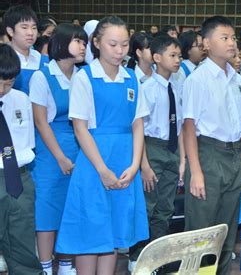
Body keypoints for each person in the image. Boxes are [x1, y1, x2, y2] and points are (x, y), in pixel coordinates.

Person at [55, 16, 149, 275]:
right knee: (91, 233)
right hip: (95, 164)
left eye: (125, 45)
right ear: (96, 43)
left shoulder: (131, 78)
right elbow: (80, 127)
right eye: (112, 44)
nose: (120, 51)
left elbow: (137, 124)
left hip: (124, 162)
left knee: (115, 233)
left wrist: (134, 165)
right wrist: (102, 170)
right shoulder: (85, 77)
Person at [182, 16, 241, 274]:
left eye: (233, 38)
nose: (232, 43)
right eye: (224, 38)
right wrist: (196, 172)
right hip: (208, 155)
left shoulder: (236, 79)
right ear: (206, 44)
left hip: (234, 155)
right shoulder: (198, 80)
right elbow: (189, 127)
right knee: (202, 232)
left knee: (226, 230)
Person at [29, 23, 87, 275]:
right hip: (50, 152)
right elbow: (41, 122)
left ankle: (65, 264)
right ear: (61, 44)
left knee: (70, 209)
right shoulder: (42, 76)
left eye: (84, 42)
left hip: (79, 147)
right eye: (78, 41)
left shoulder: (82, 76)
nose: (83, 46)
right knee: (47, 209)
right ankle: (44, 266)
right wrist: (60, 157)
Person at [128, 36, 186, 272]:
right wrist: (144, 165)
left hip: (172, 149)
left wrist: (182, 160)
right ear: (157, 58)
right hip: (151, 149)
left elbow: (181, 126)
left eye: (179, 56)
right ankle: (138, 256)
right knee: (147, 205)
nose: (177, 60)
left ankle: (157, 256)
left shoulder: (177, 87)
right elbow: (138, 129)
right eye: (172, 55)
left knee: (165, 207)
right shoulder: (147, 88)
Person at [0, 43, 43, 275]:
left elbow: (28, 142)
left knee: (23, 245)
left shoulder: (20, 100)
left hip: (20, 178)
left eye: (8, 83)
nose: (2, 89)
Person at [3, 5, 41, 95]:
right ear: (10, 31)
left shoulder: (43, 60)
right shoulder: (2, 58)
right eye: (24, 27)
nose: (31, 33)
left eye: (34, 28)